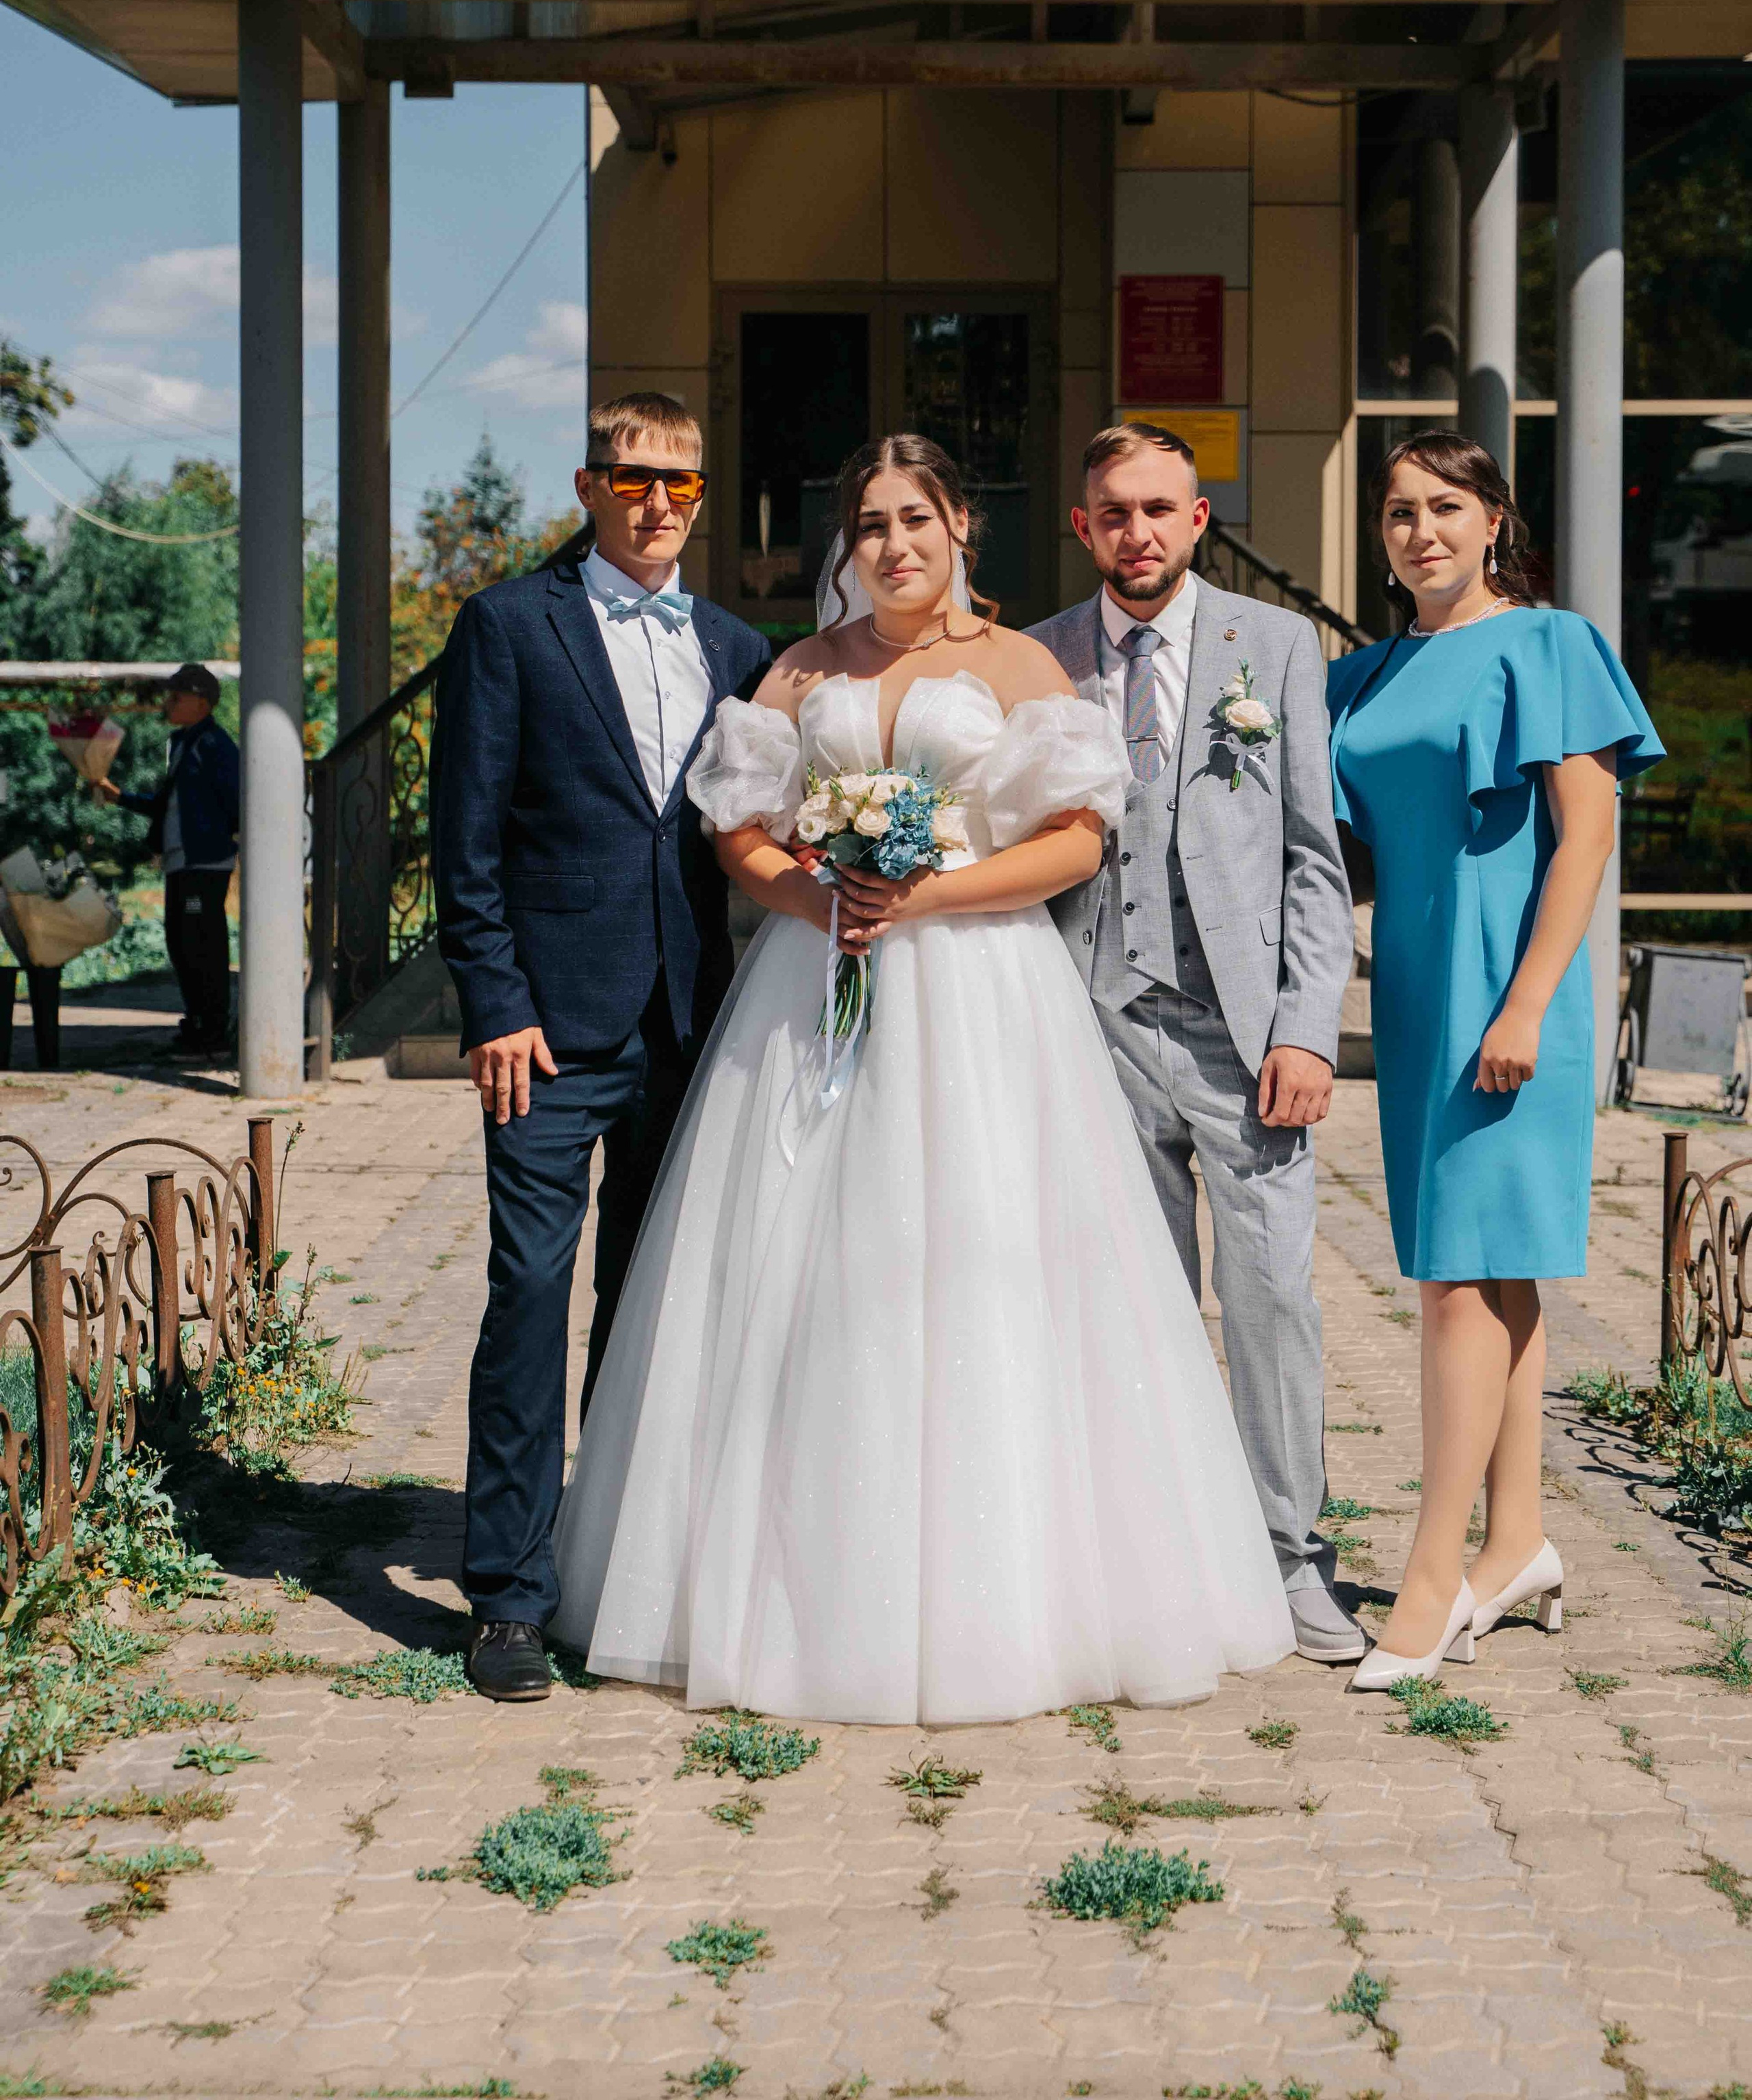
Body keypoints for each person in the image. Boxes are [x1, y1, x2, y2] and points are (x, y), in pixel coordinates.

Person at [548, 433, 1293, 1726]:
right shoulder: (799, 668)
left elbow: (1076, 842)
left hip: (983, 990)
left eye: (917, 520)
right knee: (798, 1265)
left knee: (977, 1260)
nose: (895, 546)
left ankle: (1007, 1600)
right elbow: (738, 833)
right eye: (872, 525)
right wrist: (820, 900)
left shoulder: (1020, 666)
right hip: (817, 987)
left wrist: (929, 897)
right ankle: (785, 1584)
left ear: (961, 529)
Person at [431, 393, 770, 1704]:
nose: (658, 502)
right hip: (546, 1035)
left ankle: (614, 1569)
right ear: (588, 486)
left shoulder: (738, 647)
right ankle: (508, 1599)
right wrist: (494, 1002)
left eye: (682, 482)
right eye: (633, 478)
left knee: (649, 1306)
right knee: (530, 1293)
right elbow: (465, 842)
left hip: (690, 1026)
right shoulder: (509, 626)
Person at [1327, 431, 1662, 1691]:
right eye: (1399, 511)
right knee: (1492, 1268)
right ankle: (1517, 1543)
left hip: (1509, 994)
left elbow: (1587, 839)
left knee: (1455, 1281)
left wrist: (1525, 1007)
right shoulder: (1363, 675)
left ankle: (1431, 1580)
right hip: (1416, 990)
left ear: (1494, 520)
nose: (1421, 531)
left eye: (1446, 507)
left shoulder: (1551, 644)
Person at [1031, 423, 1360, 1664]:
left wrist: (1308, 1031)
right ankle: (1155, 1554)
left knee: (1269, 1293)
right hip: (1097, 1019)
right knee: (1137, 1299)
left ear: (1199, 518)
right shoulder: (1040, 657)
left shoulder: (1275, 646)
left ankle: (1291, 1556)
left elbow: (1316, 861)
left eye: (1160, 509)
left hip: (1244, 1035)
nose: (1139, 533)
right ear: (1084, 526)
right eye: (1115, 512)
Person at [96, 662, 238, 1059]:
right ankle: (198, 1023)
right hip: (182, 862)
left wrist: (222, 838)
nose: (168, 702)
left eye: (178, 696)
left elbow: (237, 798)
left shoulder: (215, 745)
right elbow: (167, 803)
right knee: (182, 941)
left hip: (203, 864)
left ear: (202, 703)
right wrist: (121, 798)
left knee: (201, 941)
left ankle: (212, 1030)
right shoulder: (182, 744)